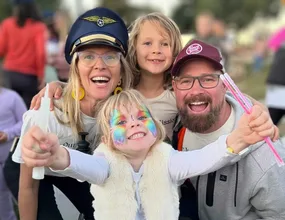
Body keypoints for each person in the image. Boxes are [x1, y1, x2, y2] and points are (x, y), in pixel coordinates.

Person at [20, 89, 275, 220]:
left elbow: (206, 157)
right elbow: (79, 164)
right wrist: (57, 155)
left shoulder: (168, 159)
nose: (134, 123)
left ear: (155, 128)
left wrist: (236, 140)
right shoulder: (104, 162)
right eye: (121, 122)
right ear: (109, 139)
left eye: (141, 117)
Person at [12, 7, 132, 220]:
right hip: (33, 174)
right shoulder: (48, 114)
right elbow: (28, 186)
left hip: (73, 167)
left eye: (110, 56)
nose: (100, 65)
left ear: (121, 68)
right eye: (88, 56)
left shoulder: (125, 112)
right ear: (75, 66)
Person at [171, 39, 285, 220]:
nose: (195, 90)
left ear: (225, 86)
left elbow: (282, 217)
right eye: (185, 80)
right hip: (199, 217)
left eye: (208, 79)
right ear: (174, 87)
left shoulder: (262, 152)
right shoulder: (178, 124)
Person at [31, 12, 183, 141]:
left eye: (165, 44)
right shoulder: (120, 87)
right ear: (133, 48)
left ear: (175, 48)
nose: (156, 50)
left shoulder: (177, 95)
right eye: (148, 43)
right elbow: (90, 87)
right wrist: (59, 85)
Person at [0, 0, 47, 107]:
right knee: (30, 108)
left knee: (10, 107)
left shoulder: (7, 24)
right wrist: (41, 75)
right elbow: (40, 54)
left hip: (9, 74)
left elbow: (1, 49)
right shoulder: (38, 27)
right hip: (29, 76)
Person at [0, 86, 27, 220]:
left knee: (19, 190)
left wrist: (8, 133)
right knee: (1, 191)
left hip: (13, 155)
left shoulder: (11, 97)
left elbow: (25, 121)